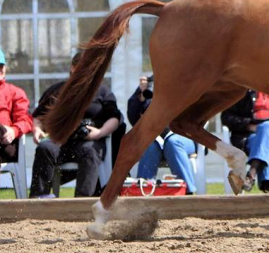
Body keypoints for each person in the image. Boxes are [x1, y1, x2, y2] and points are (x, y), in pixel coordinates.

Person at [30, 52, 121, 198]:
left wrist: (99, 132)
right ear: (73, 68)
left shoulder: (102, 91)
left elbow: (115, 118)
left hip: (87, 141)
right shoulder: (56, 90)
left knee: (89, 151)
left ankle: (82, 202)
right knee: (45, 147)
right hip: (59, 141)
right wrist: (37, 129)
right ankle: (39, 199)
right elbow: (38, 116)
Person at [128, 75, 198, 194]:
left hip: (182, 137)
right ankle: (144, 191)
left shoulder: (185, 83)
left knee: (173, 142)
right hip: (153, 139)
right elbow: (133, 118)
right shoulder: (151, 85)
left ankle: (187, 193)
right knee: (148, 144)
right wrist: (140, 95)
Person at [0, 48, 33, 165]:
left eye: (0, 67)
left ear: (3, 70)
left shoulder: (14, 92)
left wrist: (14, 130)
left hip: (5, 143)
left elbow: (26, 120)